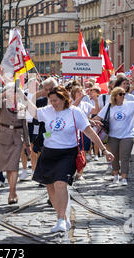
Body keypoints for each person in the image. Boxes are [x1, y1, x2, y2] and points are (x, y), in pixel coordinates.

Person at [20, 86, 114, 233]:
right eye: (51, 101)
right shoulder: (47, 110)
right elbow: (34, 112)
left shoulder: (75, 112)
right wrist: (22, 95)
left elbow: (89, 131)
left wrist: (104, 149)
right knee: (50, 187)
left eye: (55, 100)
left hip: (67, 154)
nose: (53, 103)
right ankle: (63, 215)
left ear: (64, 99)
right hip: (49, 153)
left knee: (60, 184)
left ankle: (61, 219)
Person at [93, 87, 134, 186]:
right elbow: (98, 117)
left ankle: (124, 177)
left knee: (125, 156)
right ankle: (115, 175)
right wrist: (90, 121)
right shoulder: (109, 106)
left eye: (124, 94)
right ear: (115, 96)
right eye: (120, 94)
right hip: (112, 136)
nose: (123, 96)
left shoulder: (130, 105)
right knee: (114, 156)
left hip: (127, 135)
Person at [0, 82, 30, 205]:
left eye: (15, 92)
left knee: (13, 166)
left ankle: (12, 193)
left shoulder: (21, 107)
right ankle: (12, 190)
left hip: (17, 138)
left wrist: (27, 144)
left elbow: (25, 126)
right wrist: (4, 92)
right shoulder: (2, 104)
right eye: (12, 92)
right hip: (3, 136)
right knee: (8, 167)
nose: (13, 94)